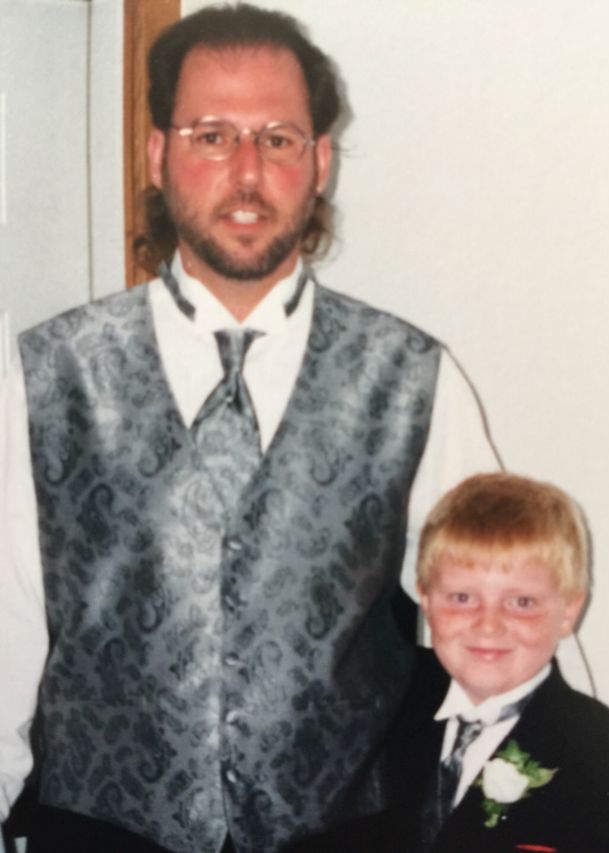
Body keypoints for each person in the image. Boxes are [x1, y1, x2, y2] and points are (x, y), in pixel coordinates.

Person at [0, 4, 501, 852]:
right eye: (211, 136)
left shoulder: (416, 379)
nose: (246, 171)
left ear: (320, 162)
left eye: (277, 138)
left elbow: (506, 628)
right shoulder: (44, 378)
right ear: (157, 155)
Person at [339, 472, 609, 852]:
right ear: (426, 601)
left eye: (522, 602)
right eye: (462, 598)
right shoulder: (376, 714)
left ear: (568, 612)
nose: (488, 625)